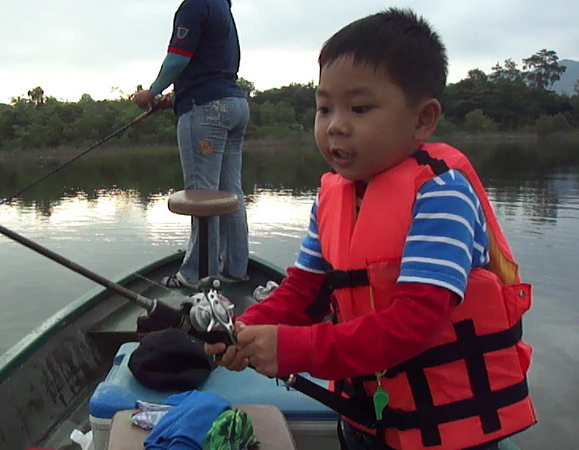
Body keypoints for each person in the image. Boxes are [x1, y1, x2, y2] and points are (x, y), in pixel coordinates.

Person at [205, 8, 536, 450]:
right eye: (324, 108)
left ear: (422, 119)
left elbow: (412, 324)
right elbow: (304, 291)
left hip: (444, 435)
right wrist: (242, 328)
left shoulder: (443, 196)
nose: (336, 125)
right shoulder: (331, 198)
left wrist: (292, 349)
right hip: (365, 418)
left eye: (359, 108)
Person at [133, 0, 250, 289]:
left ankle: (196, 275)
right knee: (230, 192)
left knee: (202, 195)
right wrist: (172, 99)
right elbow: (211, 70)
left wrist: (152, 91)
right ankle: (235, 269)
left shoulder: (194, 5)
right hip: (235, 105)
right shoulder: (222, 8)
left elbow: (178, 58)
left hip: (205, 110)